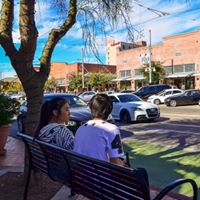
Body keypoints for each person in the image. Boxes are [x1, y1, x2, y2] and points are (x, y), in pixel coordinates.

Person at [74, 93, 126, 166]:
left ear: (90, 109)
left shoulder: (80, 128)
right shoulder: (111, 129)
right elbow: (115, 162)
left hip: (81, 173)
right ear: (110, 110)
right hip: (100, 175)